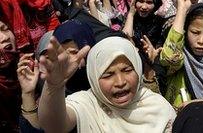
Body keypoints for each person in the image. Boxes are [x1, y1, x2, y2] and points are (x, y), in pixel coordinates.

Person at [38, 36, 177, 133]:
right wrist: (54, 87)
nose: (121, 82)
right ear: (94, 77)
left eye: (127, 70)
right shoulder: (86, 104)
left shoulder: (157, 105)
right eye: (108, 75)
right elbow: (54, 126)